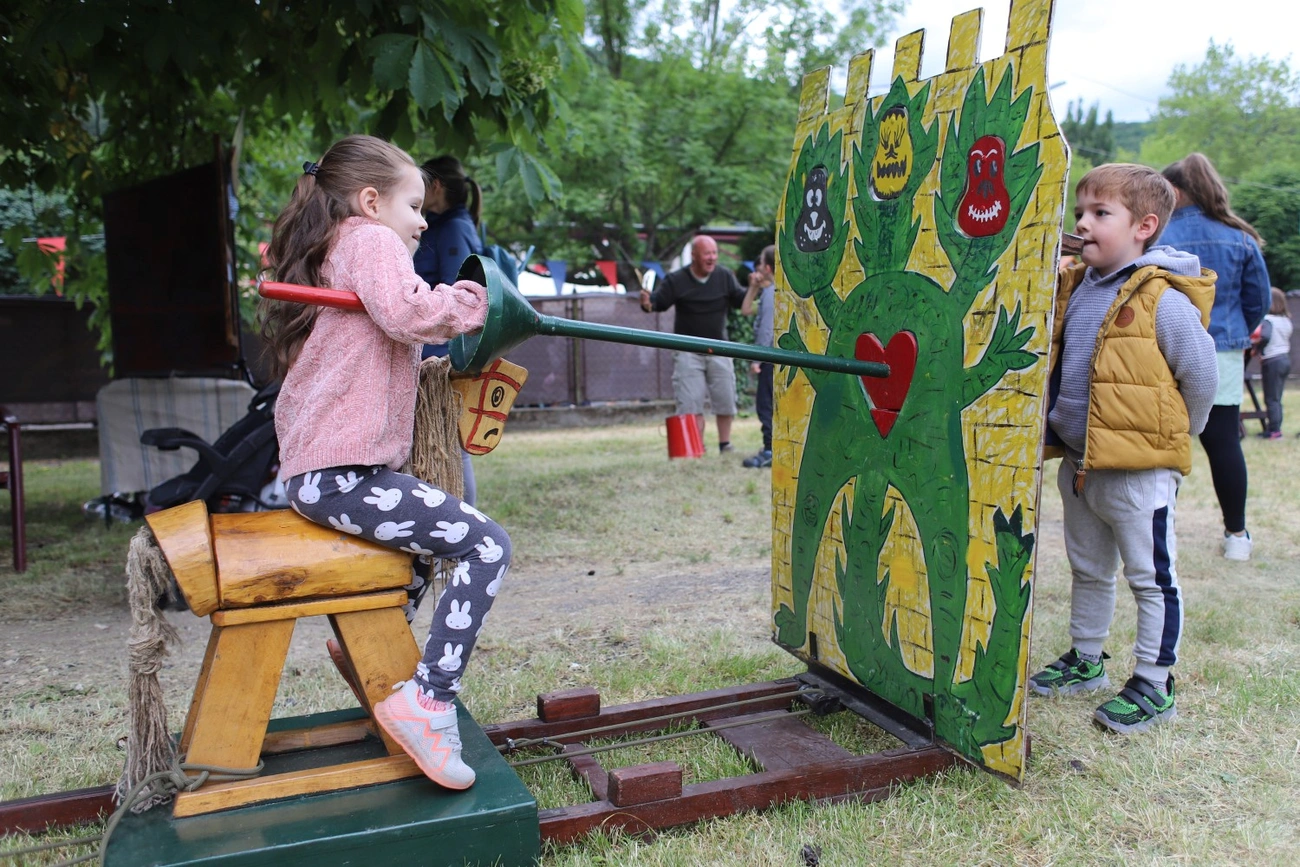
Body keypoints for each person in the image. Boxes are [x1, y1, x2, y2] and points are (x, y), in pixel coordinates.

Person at [258, 135, 511, 790]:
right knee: (486, 546)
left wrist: (432, 361)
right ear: (371, 201)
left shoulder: (339, 245)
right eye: (413, 206)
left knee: (428, 536)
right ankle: (428, 701)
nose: (423, 221)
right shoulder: (370, 241)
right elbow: (406, 311)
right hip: (339, 472)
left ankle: (368, 642)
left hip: (329, 469)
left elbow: (380, 336)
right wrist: (477, 301)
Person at [1032, 164, 1217, 734]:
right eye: (1080, 212)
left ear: (1145, 226)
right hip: (1082, 463)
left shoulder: (1162, 297)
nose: (1083, 223)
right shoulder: (1074, 287)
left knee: (1150, 576)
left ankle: (1154, 682)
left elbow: (1201, 374)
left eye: (1099, 214)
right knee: (1089, 568)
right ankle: (1086, 658)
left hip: (1139, 471)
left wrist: (1175, 435)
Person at [1159, 153, 1271, 561]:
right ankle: (1236, 537)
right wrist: (1233, 332)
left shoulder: (1158, 234)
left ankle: (1158, 531)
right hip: (1222, 352)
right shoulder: (1239, 237)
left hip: (1161, 351)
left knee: (1161, 442)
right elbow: (1257, 301)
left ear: (1173, 191)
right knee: (1223, 443)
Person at [413, 155, 483, 504]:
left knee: (453, 447)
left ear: (435, 187)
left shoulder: (454, 229)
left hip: (444, 358)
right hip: (429, 355)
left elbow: (462, 300)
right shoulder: (439, 225)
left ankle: (465, 528)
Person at [640, 235, 747, 452]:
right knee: (690, 402)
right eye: (707, 253)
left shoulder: (724, 276)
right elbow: (656, 304)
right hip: (688, 351)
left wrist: (757, 288)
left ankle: (725, 444)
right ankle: (696, 446)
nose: (712, 257)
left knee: (726, 399)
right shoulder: (676, 280)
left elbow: (741, 300)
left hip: (720, 348)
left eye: (714, 253)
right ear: (694, 256)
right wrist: (646, 303)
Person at [741, 245, 776, 468]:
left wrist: (757, 359)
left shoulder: (772, 293)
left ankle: (770, 449)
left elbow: (766, 328)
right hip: (776, 357)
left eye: (761, 263)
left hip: (769, 358)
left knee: (765, 404)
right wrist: (753, 287)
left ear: (768, 267)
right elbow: (746, 310)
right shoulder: (774, 291)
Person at [1256, 287, 1292, 440]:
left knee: (1271, 399)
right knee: (1277, 398)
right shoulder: (1286, 320)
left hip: (1272, 361)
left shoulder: (1268, 320)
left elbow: (1264, 336)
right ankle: (1274, 428)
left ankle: (1275, 432)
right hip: (1284, 359)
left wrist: (1257, 349)